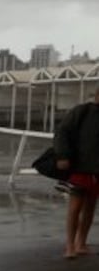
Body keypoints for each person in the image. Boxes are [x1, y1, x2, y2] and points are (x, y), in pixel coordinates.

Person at [54, 89, 99, 259]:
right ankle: (70, 245)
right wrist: (62, 155)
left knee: (90, 208)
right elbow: (62, 131)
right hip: (80, 168)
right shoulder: (82, 111)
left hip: (97, 171)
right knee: (75, 208)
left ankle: (81, 243)